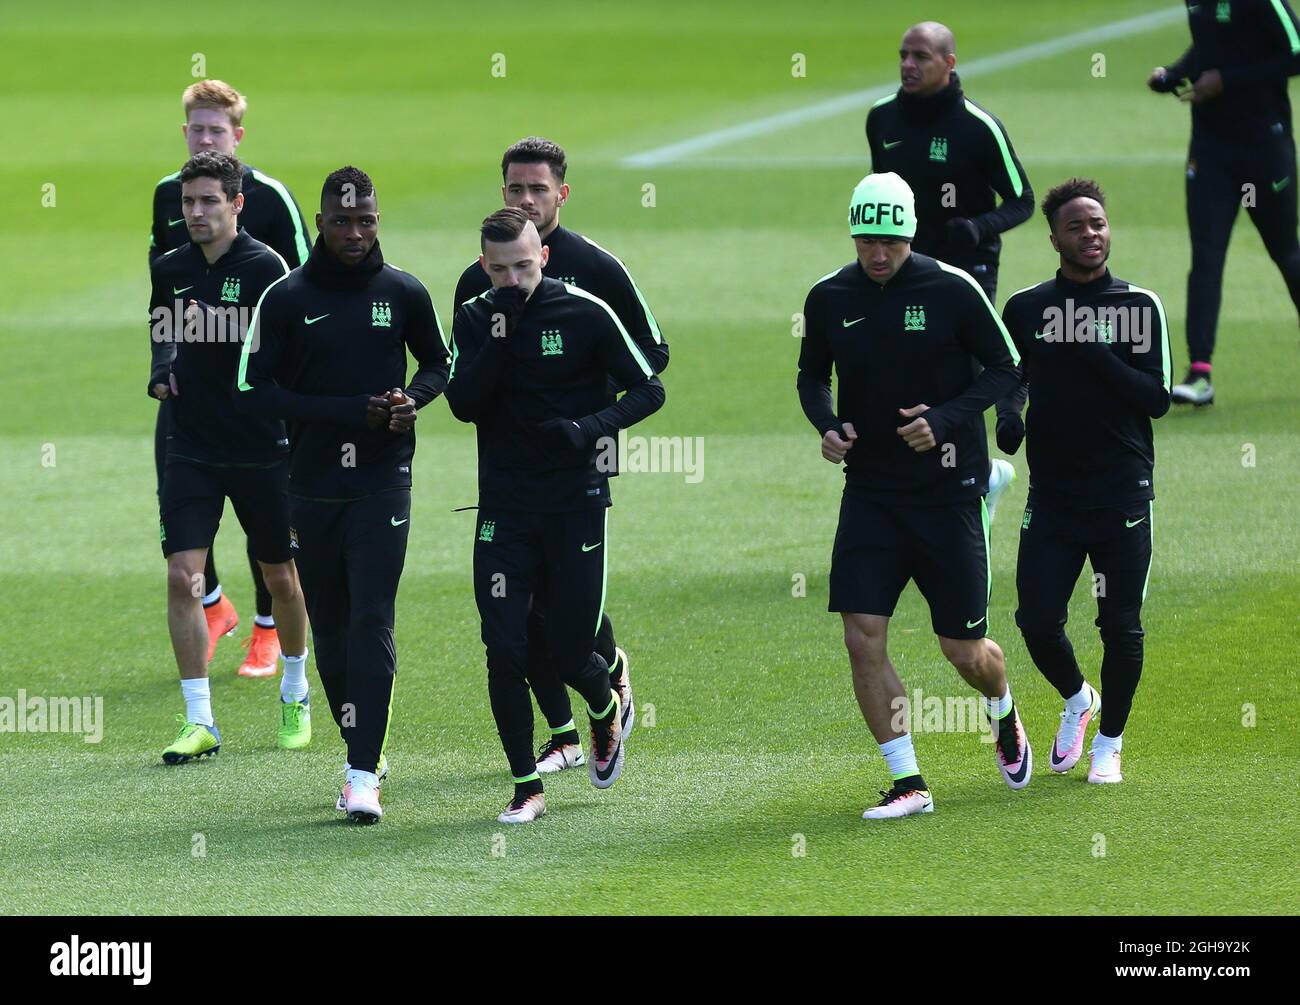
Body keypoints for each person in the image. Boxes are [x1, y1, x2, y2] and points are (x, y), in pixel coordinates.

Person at [796, 172, 1027, 821]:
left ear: (909, 233)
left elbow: (1008, 367)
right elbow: (813, 376)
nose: (877, 253)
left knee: (964, 651)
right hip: (870, 489)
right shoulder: (829, 296)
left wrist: (948, 418)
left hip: (947, 489)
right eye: (867, 239)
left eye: (890, 241)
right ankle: (908, 781)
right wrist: (828, 425)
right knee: (861, 635)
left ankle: (1002, 707)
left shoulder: (954, 289)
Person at [236, 166, 450, 823]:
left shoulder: (404, 292)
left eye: (366, 222)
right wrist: (348, 412)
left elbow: (440, 362)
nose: (355, 234)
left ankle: (361, 775)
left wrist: (410, 401)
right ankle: (365, 744)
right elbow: (256, 389)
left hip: (384, 479)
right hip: (311, 483)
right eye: (342, 222)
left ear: (377, 221)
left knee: (371, 616)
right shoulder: (287, 298)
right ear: (322, 223)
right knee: (330, 625)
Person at [453, 137, 668, 775]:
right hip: (509, 473)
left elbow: (649, 358)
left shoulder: (597, 272)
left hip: (581, 464)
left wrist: (583, 410)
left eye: (537, 190)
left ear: (561, 194)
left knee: (554, 610)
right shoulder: (478, 283)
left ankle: (596, 691)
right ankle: (567, 730)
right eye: (515, 189)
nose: (526, 199)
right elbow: (466, 388)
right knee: (518, 614)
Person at [996, 178, 1171, 784]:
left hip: (1122, 494)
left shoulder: (1138, 308)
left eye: (1097, 223)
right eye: (1077, 226)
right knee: (1036, 619)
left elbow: (1157, 397)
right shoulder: (1025, 308)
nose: (1091, 234)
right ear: (1054, 239)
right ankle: (1078, 700)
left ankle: (1110, 744)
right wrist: (1010, 416)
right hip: (1053, 496)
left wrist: (1097, 352)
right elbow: (1008, 374)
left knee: (1120, 626)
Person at [149, 152, 311, 764]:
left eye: (208, 201)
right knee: (180, 574)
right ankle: (200, 720)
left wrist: (211, 321)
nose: (195, 212)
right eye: (188, 202)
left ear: (235, 203)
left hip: (260, 445)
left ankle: (295, 690)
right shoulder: (172, 268)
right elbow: (163, 326)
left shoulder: (265, 266)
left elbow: (277, 343)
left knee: (281, 577)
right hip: (190, 444)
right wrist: (163, 368)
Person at [866, 21, 1034, 519]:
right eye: (903, 55)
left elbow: (1022, 200)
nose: (907, 65)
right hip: (902, 266)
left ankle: (978, 480)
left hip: (968, 265)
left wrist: (979, 227)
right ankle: (930, 482)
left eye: (920, 56)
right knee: (902, 364)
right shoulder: (882, 119)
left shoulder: (978, 127)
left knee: (961, 373)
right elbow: (882, 191)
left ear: (949, 64)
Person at [1148, 0, 1300, 406]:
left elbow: (1297, 53)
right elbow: (1211, 47)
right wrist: (1175, 73)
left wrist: (1227, 81)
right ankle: (1200, 373)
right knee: (1206, 256)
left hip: (1264, 148)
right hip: (1210, 149)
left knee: (1285, 252)